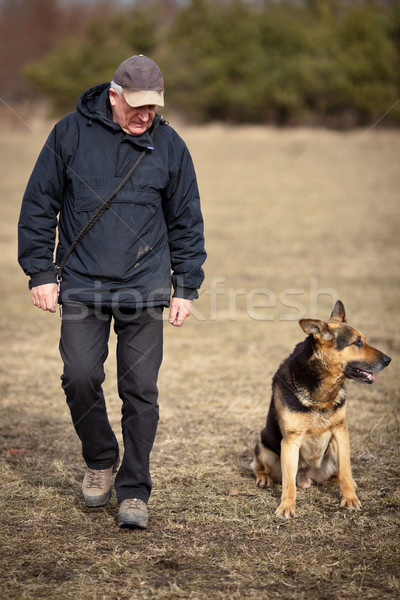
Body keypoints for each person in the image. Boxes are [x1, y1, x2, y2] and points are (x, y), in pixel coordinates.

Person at [18, 54, 206, 529]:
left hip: (144, 287)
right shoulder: (69, 134)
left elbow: (186, 220)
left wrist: (185, 286)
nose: (145, 116)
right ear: (114, 96)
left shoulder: (170, 144)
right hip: (82, 283)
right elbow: (40, 203)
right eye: (137, 106)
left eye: (153, 108)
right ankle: (101, 457)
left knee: (140, 389)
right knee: (79, 377)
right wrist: (40, 272)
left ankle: (135, 490)